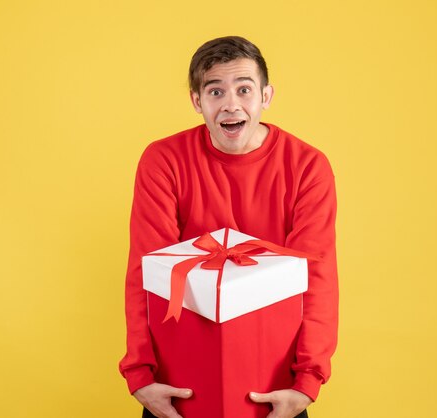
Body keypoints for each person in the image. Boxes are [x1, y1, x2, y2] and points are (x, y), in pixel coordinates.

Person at [119, 36, 339, 418]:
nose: (231, 104)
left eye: (244, 89)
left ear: (266, 96)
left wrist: (307, 383)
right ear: (196, 101)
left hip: (274, 385)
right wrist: (140, 375)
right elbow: (146, 268)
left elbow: (316, 275)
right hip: (179, 384)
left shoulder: (307, 166)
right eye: (215, 91)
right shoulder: (163, 160)